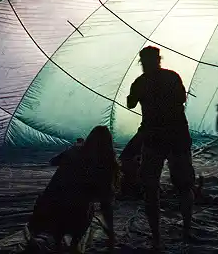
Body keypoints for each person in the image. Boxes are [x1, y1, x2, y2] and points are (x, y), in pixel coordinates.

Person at [126, 46, 195, 249]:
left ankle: (157, 236)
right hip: (176, 135)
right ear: (159, 59)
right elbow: (182, 99)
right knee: (183, 185)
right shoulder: (172, 77)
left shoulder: (140, 82)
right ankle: (186, 229)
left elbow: (130, 104)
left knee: (151, 187)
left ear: (142, 62)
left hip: (154, 138)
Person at [27, 125, 119, 251]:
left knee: (63, 198)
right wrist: (111, 234)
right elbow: (105, 203)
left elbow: (53, 161)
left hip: (48, 208)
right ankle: (74, 244)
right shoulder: (106, 163)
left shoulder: (74, 151)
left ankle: (58, 241)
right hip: (76, 212)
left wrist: (72, 153)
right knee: (85, 205)